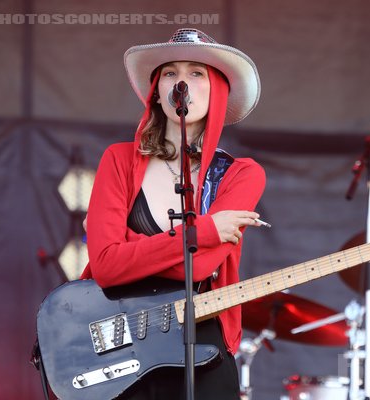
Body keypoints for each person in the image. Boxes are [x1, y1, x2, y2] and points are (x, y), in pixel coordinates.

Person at [80, 28, 266, 399]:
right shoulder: (118, 160)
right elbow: (104, 265)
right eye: (170, 73)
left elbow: (196, 269)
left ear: (218, 90)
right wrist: (207, 232)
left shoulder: (241, 174)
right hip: (124, 342)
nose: (181, 82)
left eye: (196, 72)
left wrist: (130, 248)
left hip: (204, 343)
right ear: (157, 91)